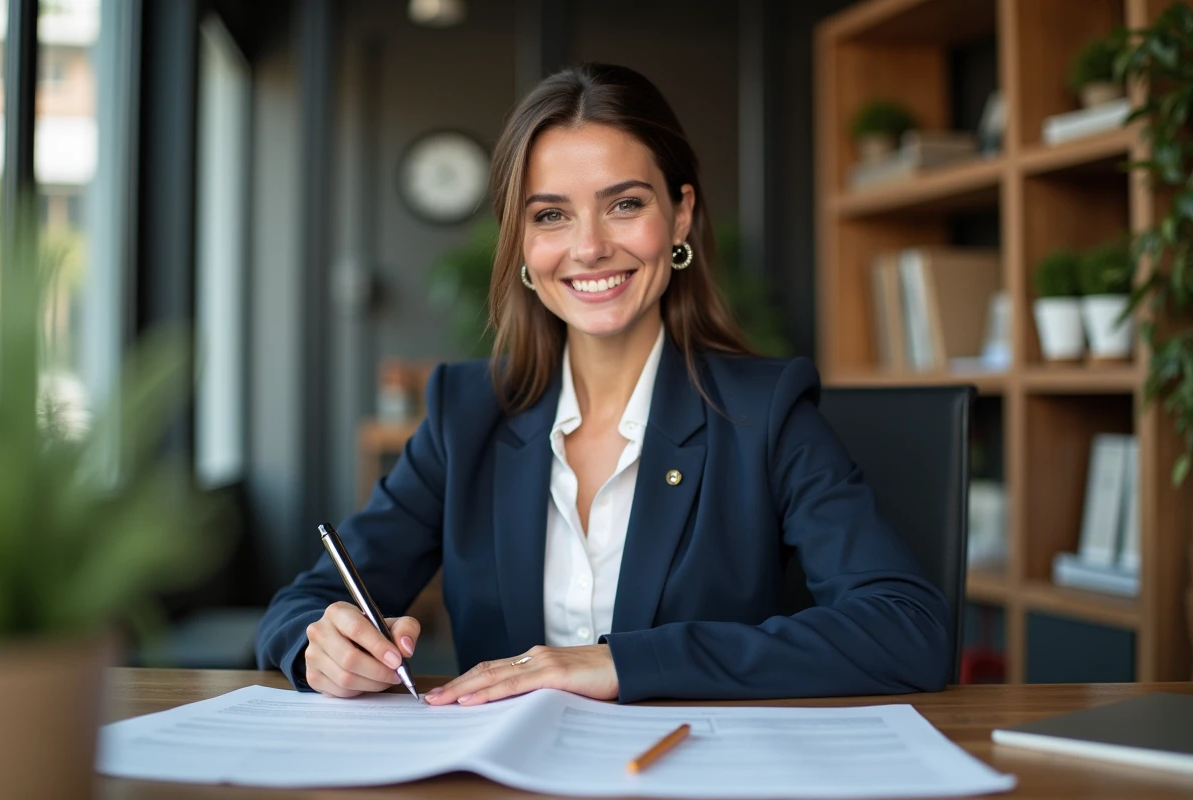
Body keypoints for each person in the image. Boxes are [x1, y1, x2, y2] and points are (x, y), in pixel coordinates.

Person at [255, 63, 950, 706]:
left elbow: (906, 630)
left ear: (680, 214)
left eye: (623, 204)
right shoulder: (464, 415)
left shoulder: (764, 412)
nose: (588, 247)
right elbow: (303, 606)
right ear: (521, 242)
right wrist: (321, 647)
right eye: (551, 214)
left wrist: (623, 663)